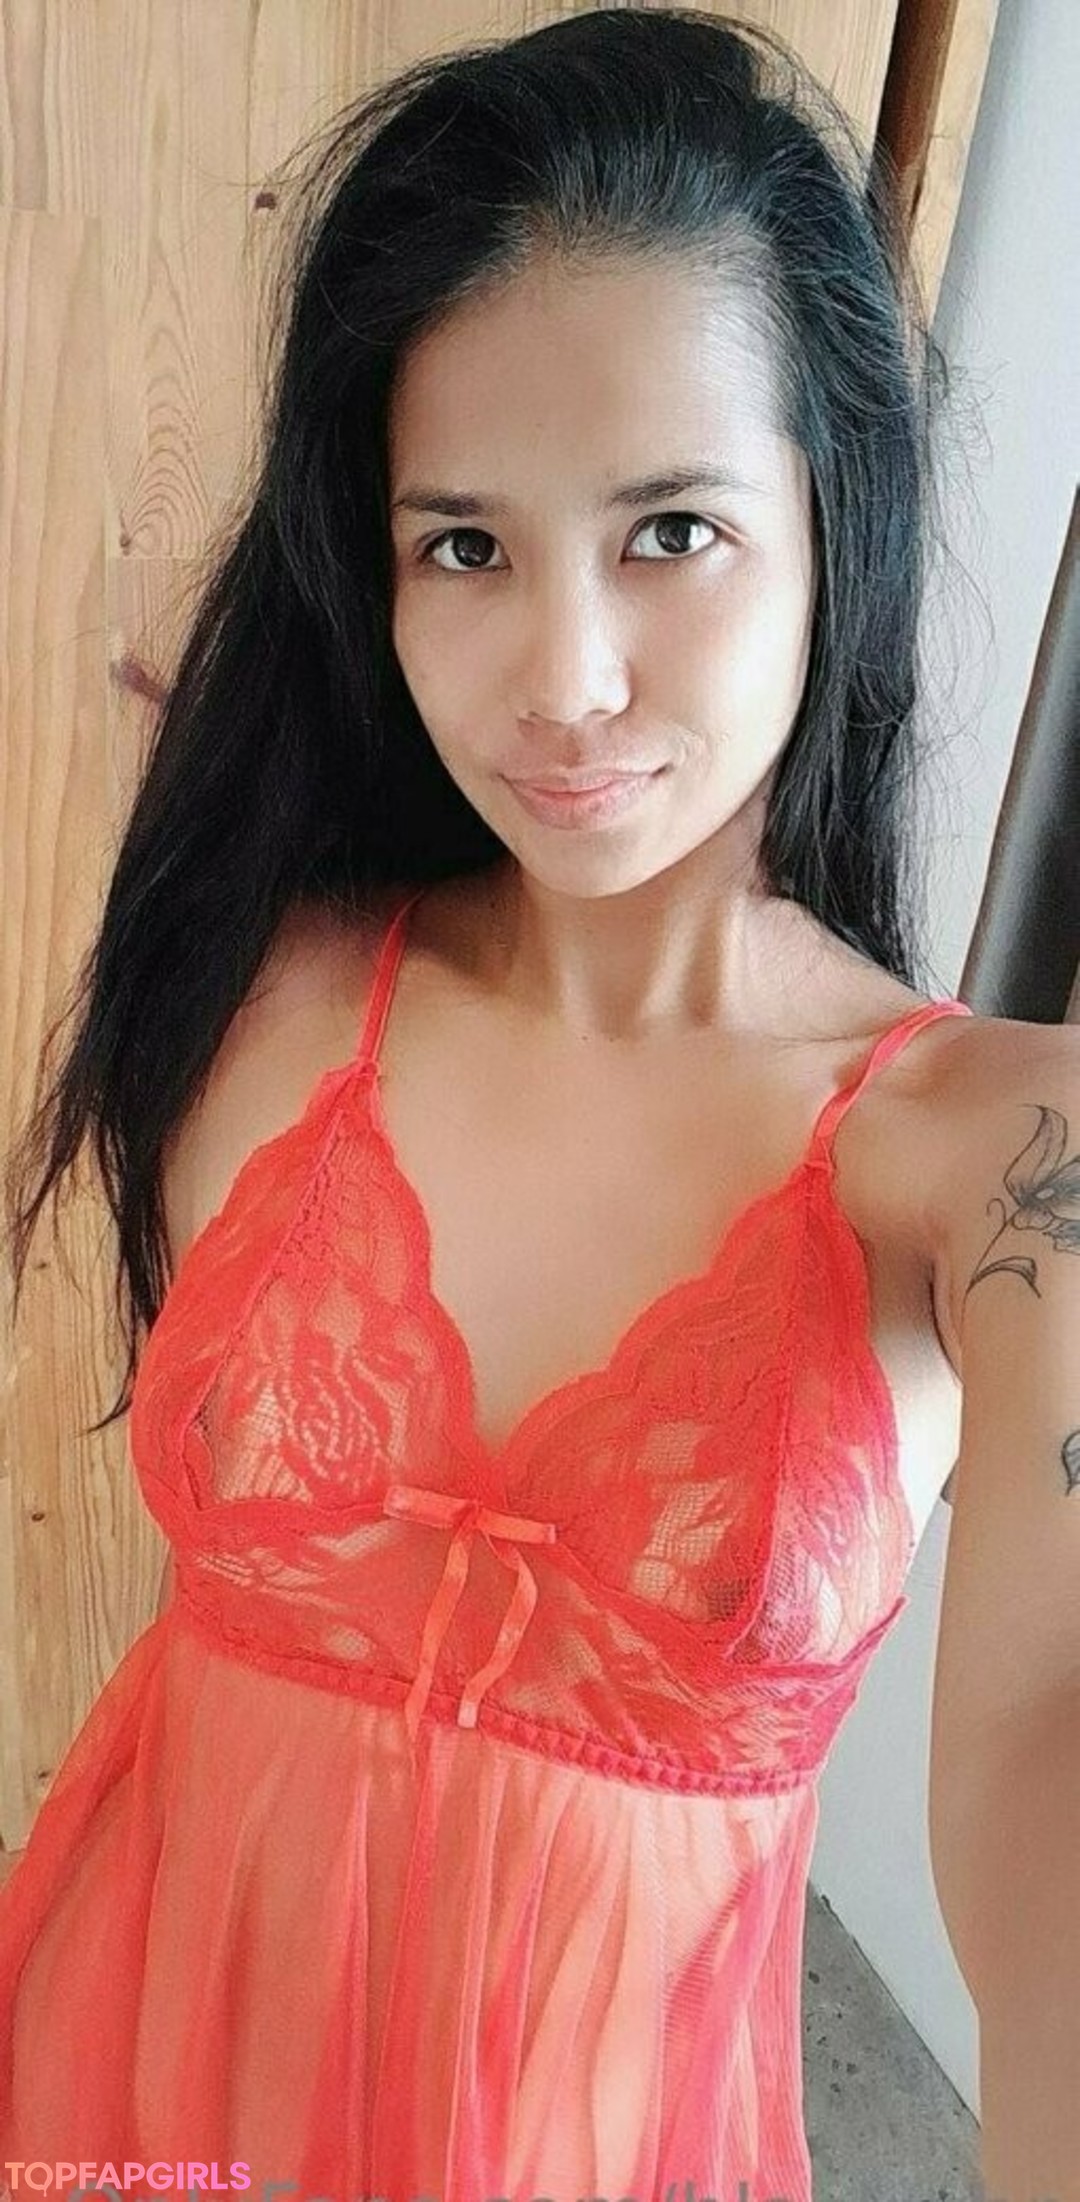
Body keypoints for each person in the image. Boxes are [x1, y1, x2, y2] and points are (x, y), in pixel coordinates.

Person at [2, 7, 1071, 2194]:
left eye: (670, 529)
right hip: (125, 2103)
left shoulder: (985, 1161)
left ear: (834, 519)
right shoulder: (262, 975)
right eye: (465, 549)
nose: (566, 683)